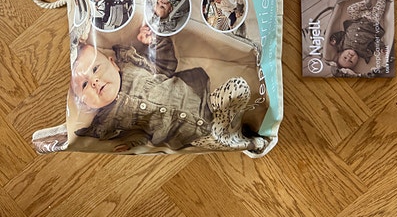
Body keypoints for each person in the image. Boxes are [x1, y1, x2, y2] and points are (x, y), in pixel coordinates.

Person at [71, 26, 265, 153]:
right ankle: (241, 138)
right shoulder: (108, 121)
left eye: (95, 69)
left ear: (113, 63)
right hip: (188, 136)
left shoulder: (133, 65)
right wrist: (129, 146)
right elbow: (139, 135)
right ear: (84, 102)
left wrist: (155, 41)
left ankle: (229, 122)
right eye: (85, 85)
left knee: (238, 87)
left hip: (204, 101)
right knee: (218, 142)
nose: (94, 81)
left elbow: (165, 65)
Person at [330, 0, 390, 69]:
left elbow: (340, 34)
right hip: (371, 23)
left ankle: (365, 4)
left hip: (357, 19)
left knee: (350, 10)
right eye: (351, 61)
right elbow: (374, 44)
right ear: (357, 61)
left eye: (345, 57)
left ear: (341, 53)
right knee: (378, 13)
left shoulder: (342, 44)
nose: (349, 57)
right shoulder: (364, 52)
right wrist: (381, 48)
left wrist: (334, 39)